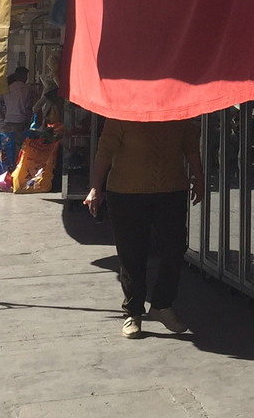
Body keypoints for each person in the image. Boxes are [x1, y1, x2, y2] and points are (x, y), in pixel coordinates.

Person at [85, 119, 202, 338]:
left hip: (172, 190)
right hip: (126, 193)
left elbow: (190, 145)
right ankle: (133, 312)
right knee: (131, 253)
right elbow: (105, 150)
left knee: (174, 248)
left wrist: (199, 177)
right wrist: (95, 187)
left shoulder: (178, 114)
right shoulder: (121, 115)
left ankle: (162, 305)